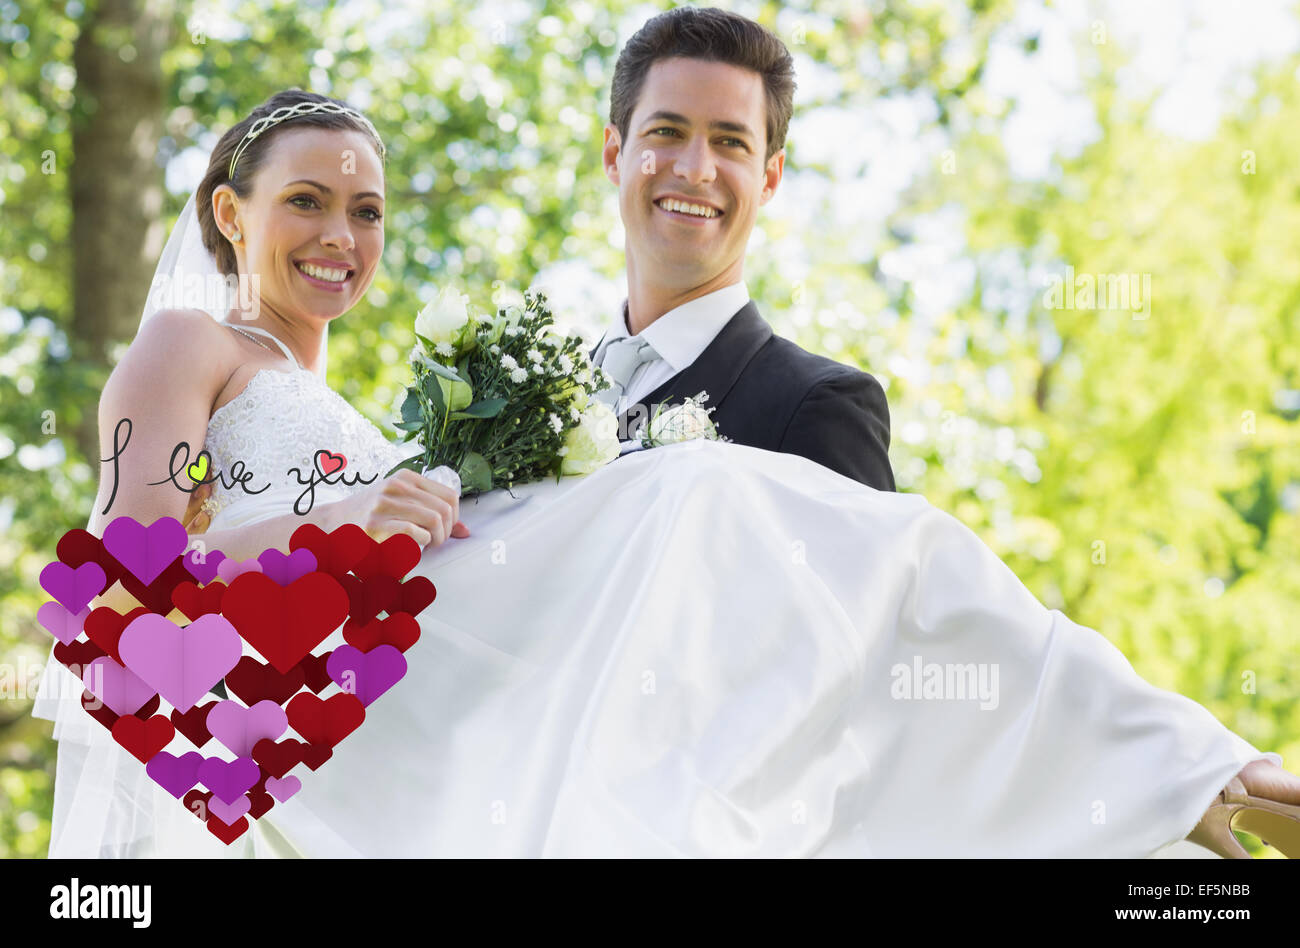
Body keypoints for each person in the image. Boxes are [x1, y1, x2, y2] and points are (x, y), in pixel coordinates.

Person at [31, 89, 1300, 858]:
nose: (340, 237)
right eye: (305, 201)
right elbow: (122, 604)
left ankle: (1171, 775)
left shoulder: (364, 412)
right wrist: (352, 518)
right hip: (325, 728)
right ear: (225, 213)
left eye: (366, 212)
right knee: (710, 496)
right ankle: (1177, 772)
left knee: (837, 560)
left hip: (432, 705)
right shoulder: (182, 347)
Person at [591, 7, 895, 492]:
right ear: (614, 155)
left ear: (769, 177)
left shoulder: (820, 407)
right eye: (667, 132)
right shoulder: (513, 401)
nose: (696, 169)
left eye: (730, 141)